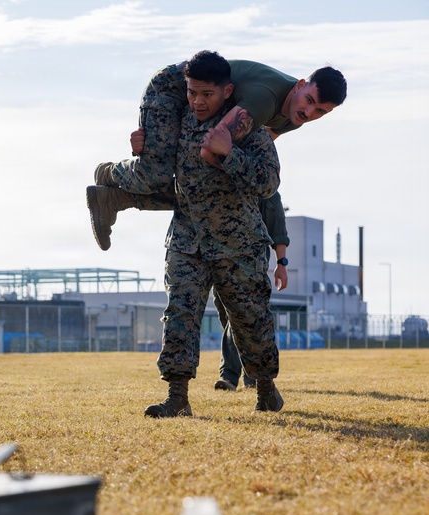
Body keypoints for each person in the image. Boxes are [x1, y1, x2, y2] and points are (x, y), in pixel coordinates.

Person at [140, 50, 283, 418]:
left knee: (250, 321)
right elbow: (159, 169)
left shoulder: (247, 126)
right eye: (192, 93)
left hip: (238, 245)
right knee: (180, 315)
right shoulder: (179, 122)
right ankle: (177, 397)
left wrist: (230, 153)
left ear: (227, 90)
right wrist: (143, 150)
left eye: (207, 94)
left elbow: (268, 184)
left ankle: (265, 388)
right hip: (187, 241)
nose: (198, 101)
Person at [85, 58, 346, 250]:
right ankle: (108, 172)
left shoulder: (295, 118)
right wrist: (158, 148)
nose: (309, 113)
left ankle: (115, 198)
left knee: (219, 188)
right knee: (155, 175)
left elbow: (253, 157)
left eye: (320, 111)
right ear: (300, 85)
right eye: (309, 100)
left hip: (205, 107)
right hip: (175, 89)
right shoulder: (265, 99)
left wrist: (279, 243)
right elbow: (210, 151)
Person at [214, 193, 289, 392]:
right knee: (227, 317)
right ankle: (251, 374)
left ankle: (229, 376)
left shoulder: (261, 183)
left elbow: (278, 226)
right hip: (216, 258)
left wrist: (282, 263)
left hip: (249, 262)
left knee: (236, 317)